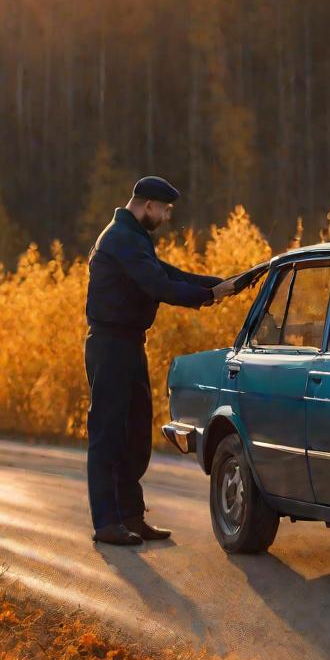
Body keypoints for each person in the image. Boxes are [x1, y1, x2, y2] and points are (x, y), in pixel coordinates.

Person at [85, 177, 236, 546]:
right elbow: (159, 285)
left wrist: (217, 285)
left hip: (129, 344)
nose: (168, 217)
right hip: (110, 346)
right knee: (108, 434)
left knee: (134, 433)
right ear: (148, 205)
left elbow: (168, 273)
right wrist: (206, 296)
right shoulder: (120, 238)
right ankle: (107, 523)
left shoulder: (134, 238)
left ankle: (131, 518)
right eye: (166, 210)